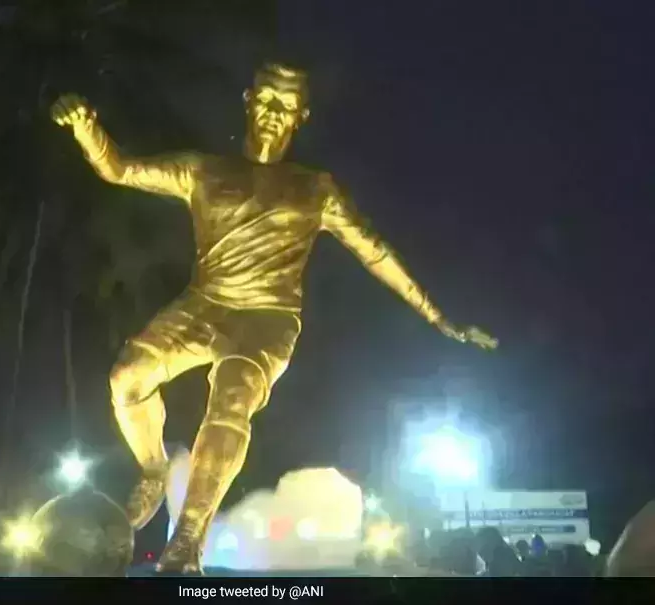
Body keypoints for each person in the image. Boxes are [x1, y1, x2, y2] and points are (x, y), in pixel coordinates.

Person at [51, 63, 498, 574]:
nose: (272, 113)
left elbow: (374, 251)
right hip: (204, 304)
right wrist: (86, 128)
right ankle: (154, 469)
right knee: (126, 378)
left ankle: (188, 537)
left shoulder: (316, 189)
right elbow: (121, 169)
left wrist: (439, 317)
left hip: (267, 317)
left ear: (300, 117)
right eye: (265, 99)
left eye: (286, 107)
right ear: (248, 100)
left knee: (232, 398)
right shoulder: (203, 171)